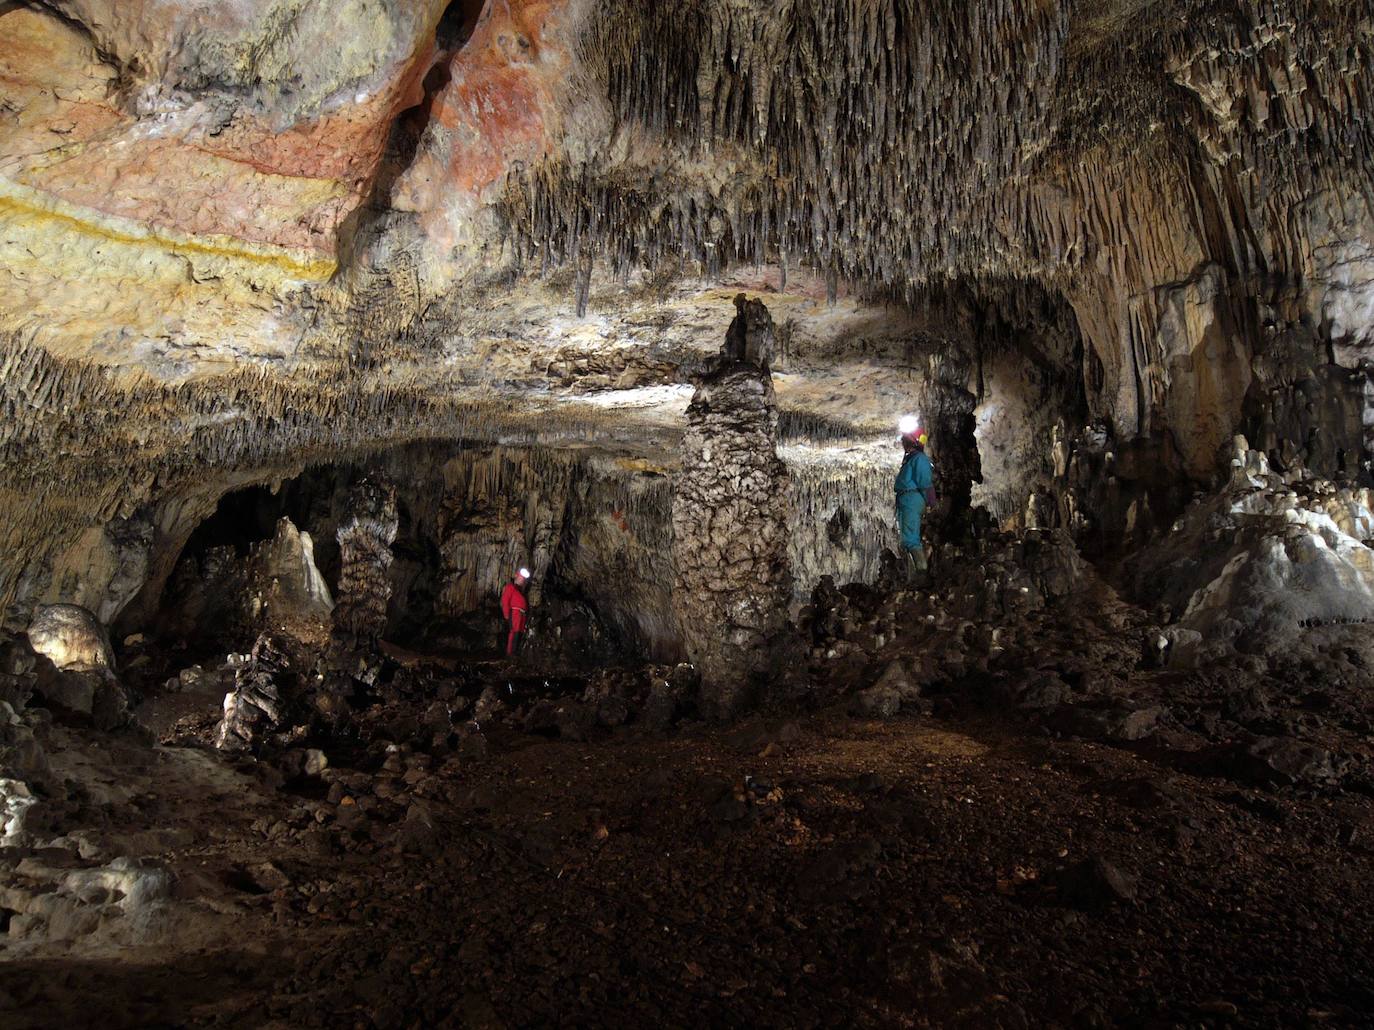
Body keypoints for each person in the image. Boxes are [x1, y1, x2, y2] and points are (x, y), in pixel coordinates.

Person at [895, 426, 935, 580]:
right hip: (906, 500)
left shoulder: (919, 459)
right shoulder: (911, 459)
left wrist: (932, 503)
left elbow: (925, 483)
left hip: (912, 500)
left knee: (910, 540)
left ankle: (922, 574)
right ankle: (914, 577)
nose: (903, 442)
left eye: (905, 439)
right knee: (906, 539)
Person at [500, 567, 530, 657]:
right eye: (521, 578)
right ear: (516, 576)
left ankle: (515, 652)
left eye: (523, 579)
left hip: (522, 614)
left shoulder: (520, 591)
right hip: (515, 612)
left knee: (519, 632)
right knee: (514, 632)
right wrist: (506, 614)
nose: (522, 580)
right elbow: (505, 600)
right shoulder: (510, 587)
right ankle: (510, 653)